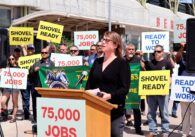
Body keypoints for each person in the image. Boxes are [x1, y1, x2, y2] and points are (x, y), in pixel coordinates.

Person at [85, 31, 130, 137]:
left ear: (115, 44)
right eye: (102, 39)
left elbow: (124, 89)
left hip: (114, 111)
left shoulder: (122, 63)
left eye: (106, 40)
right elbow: (89, 84)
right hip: (96, 108)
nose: (102, 42)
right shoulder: (97, 62)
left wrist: (109, 96)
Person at [145, 45, 173, 137]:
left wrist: (166, 86)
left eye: (159, 51)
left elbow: (170, 77)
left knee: (164, 112)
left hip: (163, 92)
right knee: (151, 112)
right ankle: (153, 131)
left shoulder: (167, 63)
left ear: (163, 52)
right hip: (151, 93)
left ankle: (165, 132)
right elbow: (146, 76)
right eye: (155, 51)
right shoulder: (149, 63)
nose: (157, 53)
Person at [29, 47, 54, 132]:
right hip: (37, 87)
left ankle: (46, 120)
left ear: (48, 54)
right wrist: (33, 70)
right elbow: (30, 74)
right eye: (42, 52)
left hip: (47, 89)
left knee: (47, 105)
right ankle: (36, 120)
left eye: (45, 53)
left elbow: (54, 74)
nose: (44, 54)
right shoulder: (36, 63)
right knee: (35, 105)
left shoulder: (52, 64)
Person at [124, 43, 144, 135]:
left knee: (136, 108)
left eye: (133, 49)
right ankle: (120, 127)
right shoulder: (121, 60)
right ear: (126, 50)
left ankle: (138, 128)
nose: (131, 51)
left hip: (135, 89)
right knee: (122, 107)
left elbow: (145, 72)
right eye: (129, 49)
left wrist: (143, 66)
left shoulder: (138, 60)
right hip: (124, 88)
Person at [175, 43, 195, 137]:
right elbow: (177, 58)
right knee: (184, 113)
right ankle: (185, 132)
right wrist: (182, 47)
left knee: (194, 115)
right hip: (183, 91)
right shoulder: (183, 57)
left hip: (193, 91)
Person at [0, 55, 20, 123]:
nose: (11, 60)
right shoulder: (7, 68)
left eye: (12, 59)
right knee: (2, 101)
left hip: (15, 86)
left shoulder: (18, 68)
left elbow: (21, 77)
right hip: (7, 86)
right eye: (10, 59)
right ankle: (5, 114)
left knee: (14, 103)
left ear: (15, 59)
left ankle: (14, 117)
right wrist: (1, 71)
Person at [20, 44, 36, 119]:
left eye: (31, 49)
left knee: (34, 98)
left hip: (33, 81)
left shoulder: (37, 59)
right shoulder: (23, 59)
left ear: (34, 50)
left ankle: (35, 115)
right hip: (25, 81)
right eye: (29, 49)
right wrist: (23, 47)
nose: (30, 50)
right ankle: (26, 114)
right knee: (26, 99)